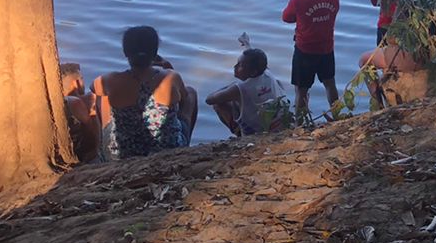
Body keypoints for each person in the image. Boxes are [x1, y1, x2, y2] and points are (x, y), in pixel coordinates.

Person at [93, 26, 196, 158]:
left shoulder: (111, 79)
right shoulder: (171, 77)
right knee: (190, 93)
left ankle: (101, 146)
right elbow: (183, 96)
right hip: (169, 148)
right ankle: (184, 147)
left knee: (103, 96)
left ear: (126, 53)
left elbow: (93, 87)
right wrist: (167, 68)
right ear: (155, 53)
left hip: (125, 152)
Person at [282, 0, 341, 117]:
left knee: (301, 90)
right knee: (330, 83)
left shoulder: (298, 1)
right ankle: (337, 116)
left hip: (304, 51)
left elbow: (286, 18)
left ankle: (299, 124)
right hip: (326, 49)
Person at [206, 48, 288, 136]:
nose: (235, 66)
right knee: (277, 82)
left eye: (240, 65)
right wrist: (247, 45)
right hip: (278, 124)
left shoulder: (240, 88)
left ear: (253, 72)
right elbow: (258, 60)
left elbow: (209, 100)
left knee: (219, 104)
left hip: (256, 133)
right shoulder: (268, 73)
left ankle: (239, 133)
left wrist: (231, 86)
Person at [61, 62, 100, 163]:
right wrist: (92, 113)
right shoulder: (76, 102)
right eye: (82, 79)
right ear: (76, 83)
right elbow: (92, 142)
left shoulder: (59, 103)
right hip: (82, 157)